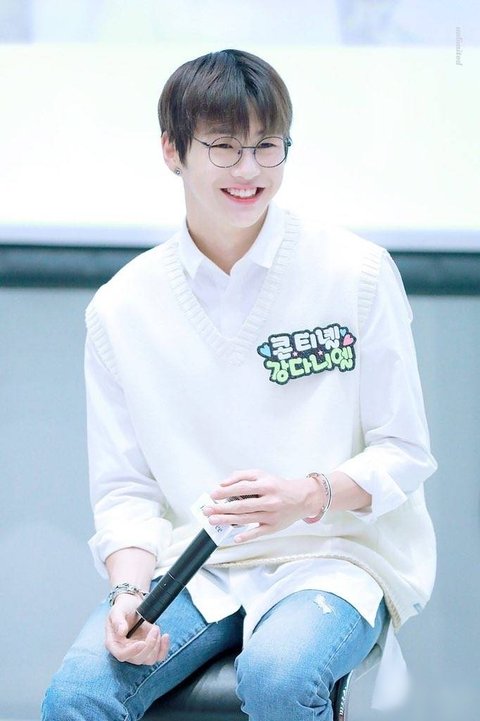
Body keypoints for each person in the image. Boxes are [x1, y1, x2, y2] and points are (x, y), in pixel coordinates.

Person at [42, 48, 437, 721]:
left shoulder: (356, 272)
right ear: (172, 150)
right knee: (76, 696)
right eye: (224, 147)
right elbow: (126, 491)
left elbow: (405, 451)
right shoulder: (123, 306)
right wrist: (129, 594)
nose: (250, 171)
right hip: (196, 570)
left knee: (280, 676)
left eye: (267, 147)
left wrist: (306, 495)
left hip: (334, 556)